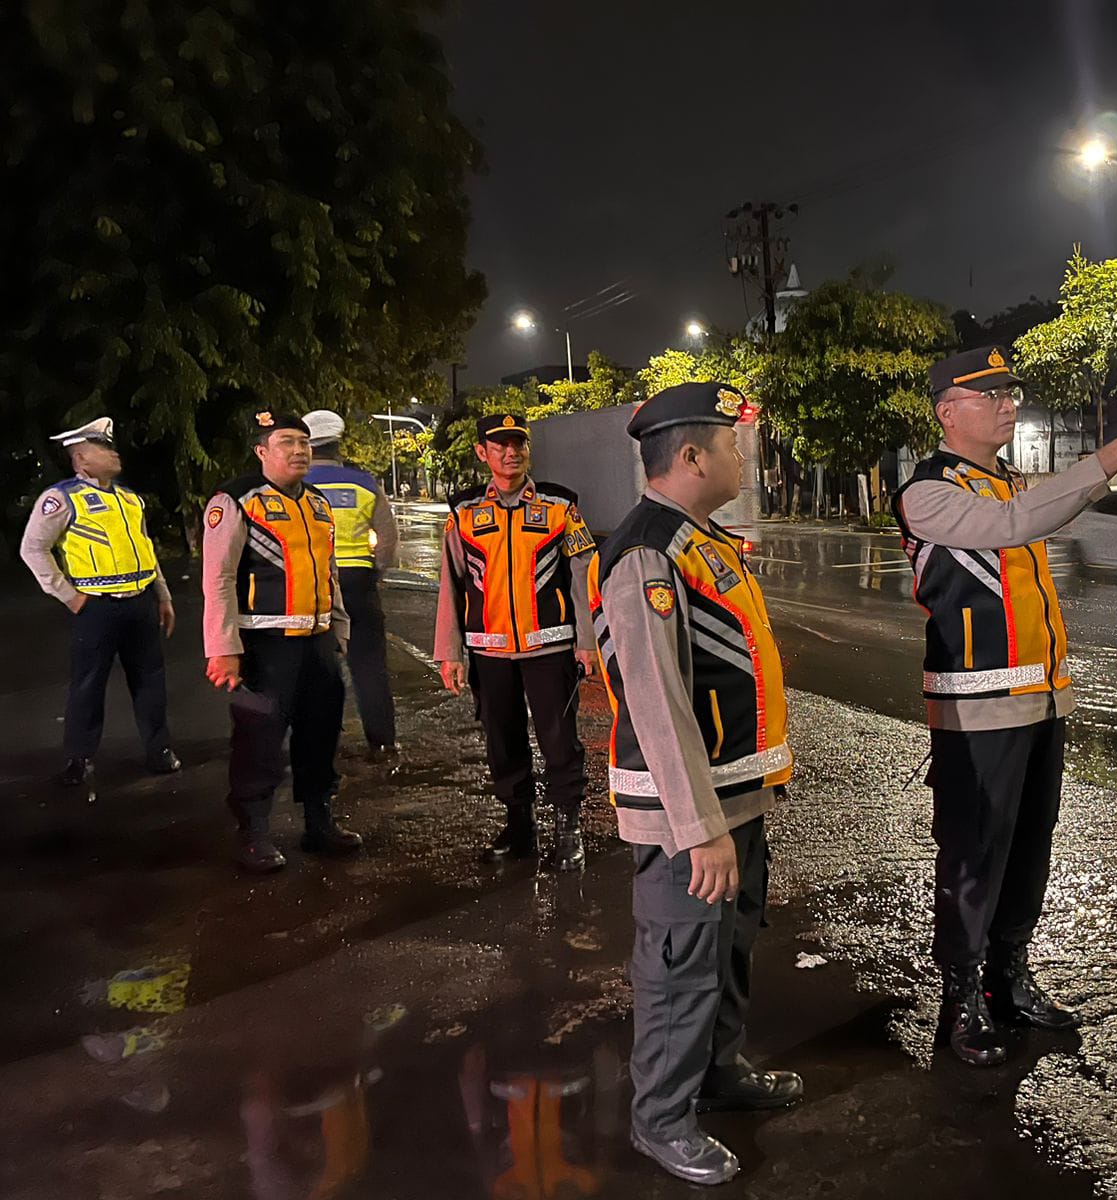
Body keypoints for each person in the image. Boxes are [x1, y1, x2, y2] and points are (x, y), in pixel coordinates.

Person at [892, 346, 1117, 1067]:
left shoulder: (1006, 482)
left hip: (1038, 700)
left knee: (1030, 849)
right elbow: (1020, 525)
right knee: (974, 858)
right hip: (976, 710)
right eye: (991, 395)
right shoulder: (930, 491)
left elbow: (1042, 513)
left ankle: (1009, 980)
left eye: (1012, 392)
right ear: (948, 411)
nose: (1009, 404)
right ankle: (961, 1003)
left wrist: (1115, 467)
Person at [590, 382, 802, 1187]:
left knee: (729, 949)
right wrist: (700, 826)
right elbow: (656, 703)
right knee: (680, 964)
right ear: (690, 457)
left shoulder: (701, 540)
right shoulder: (647, 551)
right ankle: (661, 1119)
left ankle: (719, 1073)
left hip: (733, 800)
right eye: (730, 443)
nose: (740, 455)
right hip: (691, 815)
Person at [433, 414, 597, 871]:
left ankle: (569, 829)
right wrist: (449, 652)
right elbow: (451, 583)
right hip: (489, 652)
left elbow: (584, 577)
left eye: (518, 443)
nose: (511, 452)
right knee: (502, 743)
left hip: (550, 649)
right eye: (500, 445)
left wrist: (587, 643)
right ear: (483, 453)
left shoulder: (560, 506)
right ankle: (519, 826)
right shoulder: (464, 512)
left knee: (560, 741)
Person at [203, 410, 361, 874]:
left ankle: (319, 822)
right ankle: (252, 833)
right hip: (263, 646)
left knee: (321, 734)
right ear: (261, 451)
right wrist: (223, 648)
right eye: (286, 442)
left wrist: (340, 628)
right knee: (259, 742)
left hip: (316, 642)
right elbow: (218, 579)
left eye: (304, 442)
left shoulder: (316, 503)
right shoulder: (235, 500)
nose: (298, 450)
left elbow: (330, 572)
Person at [19, 417, 181, 785]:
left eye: (111, 445)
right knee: (88, 685)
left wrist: (164, 596)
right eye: (104, 447)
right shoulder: (61, 498)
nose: (114, 452)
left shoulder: (129, 499)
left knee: (151, 682)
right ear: (81, 459)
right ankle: (80, 758)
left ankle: (159, 750)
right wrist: (70, 596)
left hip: (140, 603)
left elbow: (146, 550)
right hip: (96, 607)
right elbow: (33, 549)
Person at [303, 410, 401, 762]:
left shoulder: (295, 486)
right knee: (370, 667)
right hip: (359, 582)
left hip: (312, 586)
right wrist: (376, 572)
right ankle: (383, 742)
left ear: (309, 446)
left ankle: (320, 745)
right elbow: (388, 538)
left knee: (316, 667)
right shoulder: (363, 483)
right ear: (338, 444)